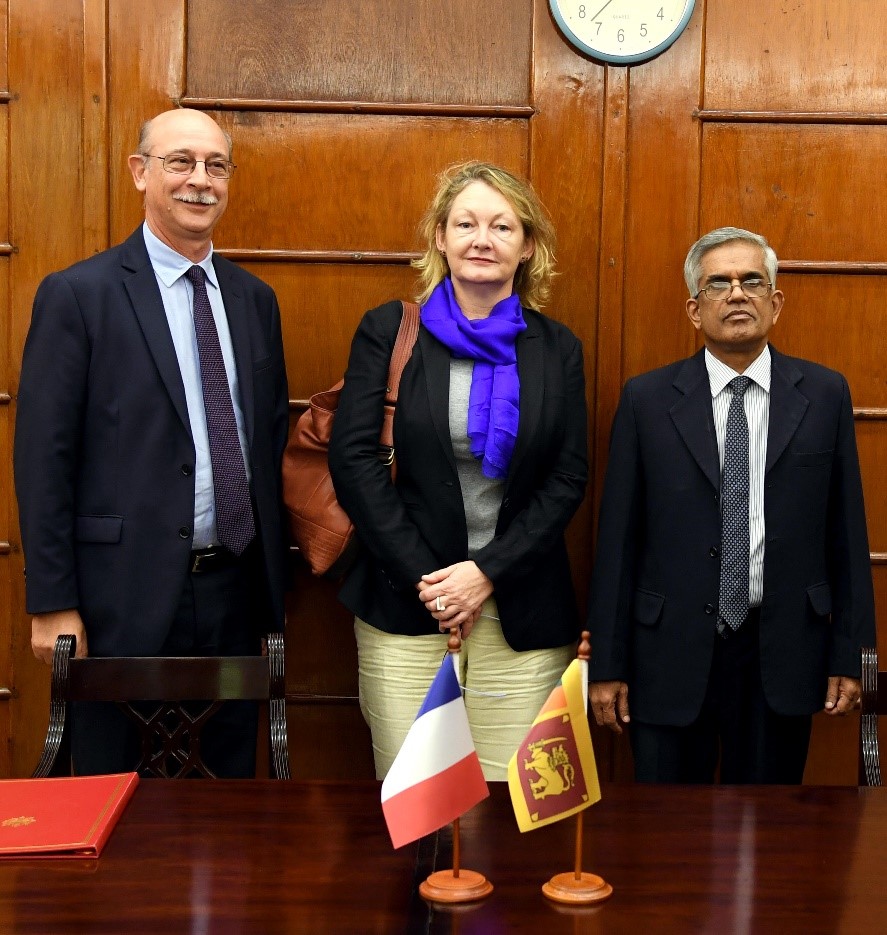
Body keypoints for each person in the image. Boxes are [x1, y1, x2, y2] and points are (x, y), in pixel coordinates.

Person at [14, 108, 290, 777]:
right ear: (140, 173)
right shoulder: (80, 295)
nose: (200, 180)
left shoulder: (255, 300)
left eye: (215, 165)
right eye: (180, 162)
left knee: (228, 795)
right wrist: (52, 602)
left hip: (232, 592)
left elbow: (266, 438)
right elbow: (43, 456)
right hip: (117, 598)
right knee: (113, 795)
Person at [587, 227, 876, 784]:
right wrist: (608, 663)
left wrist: (853, 657)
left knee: (769, 841)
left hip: (786, 650)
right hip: (667, 654)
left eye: (751, 281)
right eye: (719, 283)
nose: (737, 294)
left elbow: (847, 535)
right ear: (695, 310)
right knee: (668, 837)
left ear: (776, 300)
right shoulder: (646, 400)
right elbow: (618, 541)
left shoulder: (824, 395)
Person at [328, 161, 588, 780]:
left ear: (527, 247)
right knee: (419, 796)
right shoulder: (390, 331)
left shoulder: (557, 349)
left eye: (503, 226)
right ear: (440, 238)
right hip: (407, 607)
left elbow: (567, 477)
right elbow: (355, 460)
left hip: (521, 613)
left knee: (513, 807)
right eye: (465, 223)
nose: (482, 239)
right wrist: (437, 583)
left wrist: (485, 574)